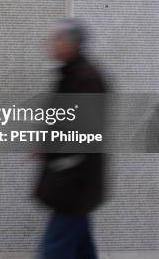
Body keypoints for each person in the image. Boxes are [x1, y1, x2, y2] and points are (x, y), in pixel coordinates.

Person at [35, 18, 107, 259]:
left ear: (71, 43)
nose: (51, 45)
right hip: (74, 177)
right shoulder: (72, 74)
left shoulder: (85, 78)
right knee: (80, 246)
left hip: (73, 179)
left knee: (55, 248)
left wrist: (52, 147)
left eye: (56, 39)